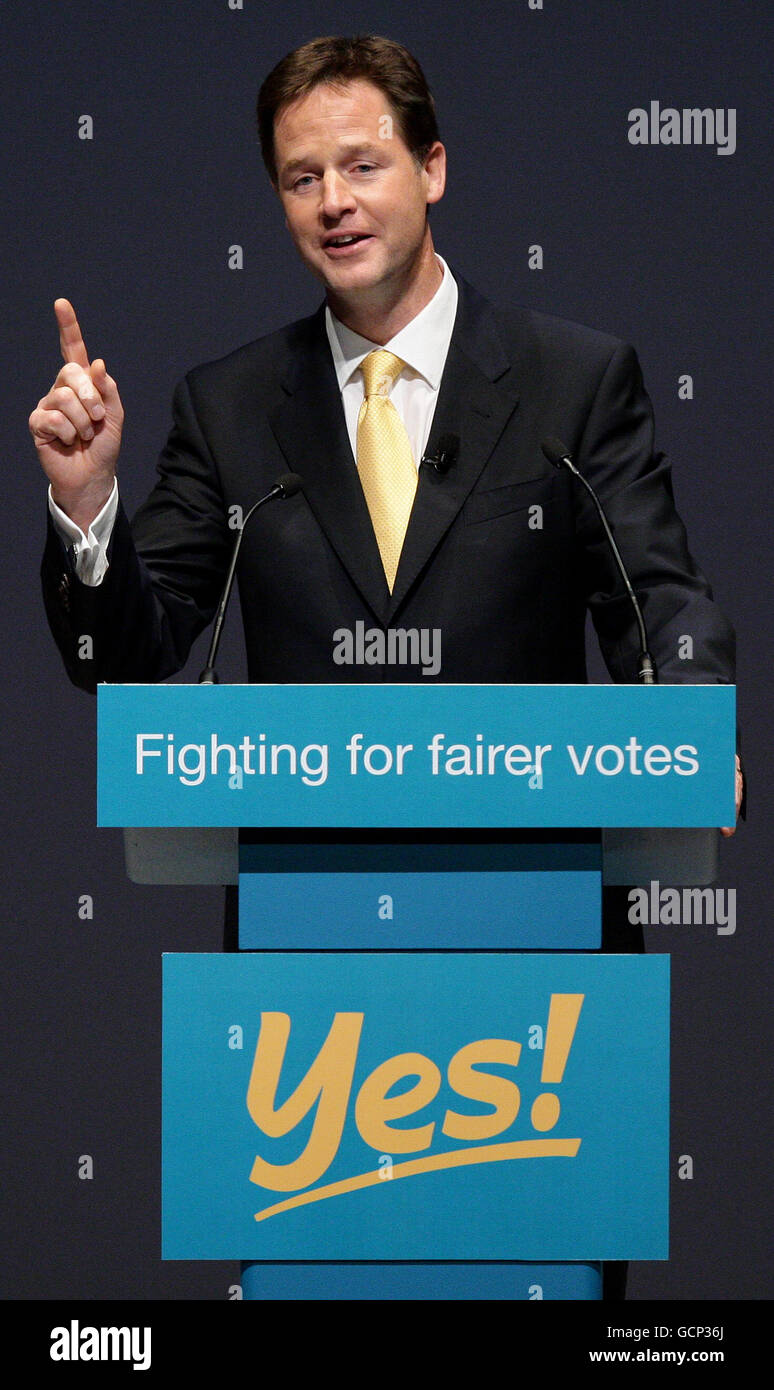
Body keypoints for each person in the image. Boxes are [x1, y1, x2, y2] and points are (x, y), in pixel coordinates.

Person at [30, 34, 742, 1298]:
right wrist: (88, 511)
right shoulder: (230, 405)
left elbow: (663, 602)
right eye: (301, 179)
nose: (334, 203)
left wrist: (688, 730)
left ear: (434, 168)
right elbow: (127, 655)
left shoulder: (577, 382)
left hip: (538, 991)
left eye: (362, 165)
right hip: (314, 1018)